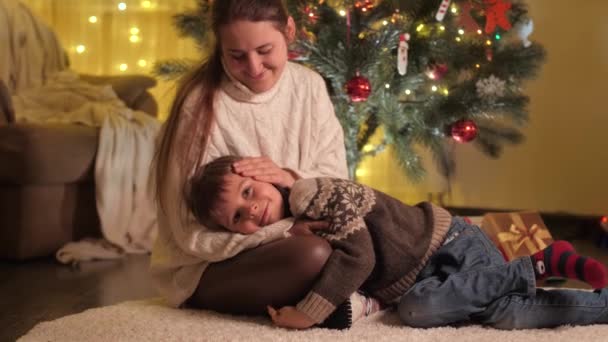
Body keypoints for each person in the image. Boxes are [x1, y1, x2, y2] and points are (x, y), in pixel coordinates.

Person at [188, 155, 608, 330]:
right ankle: (598, 305)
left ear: (262, 173)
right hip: (425, 273)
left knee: (416, 310)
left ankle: (532, 263)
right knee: (504, 314)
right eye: (237, 219)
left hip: (447, 243)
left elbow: (361, 256)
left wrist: (307, 313)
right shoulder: (292, 225)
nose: (252, 210)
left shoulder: (310, 194)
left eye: (247, 192)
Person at [149, 0, 348, 315]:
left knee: (359, 241)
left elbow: (339, 181)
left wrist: (290, 178)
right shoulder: (200, 104)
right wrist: (281, 232)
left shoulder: (308, 86)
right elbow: (189, 236)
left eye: (265, 50)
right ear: (220, 48)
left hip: (297, 238)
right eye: (237, 56)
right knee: (312, 255)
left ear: (290, 31)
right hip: (215, 266)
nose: (254, 68)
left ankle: (324, 298)